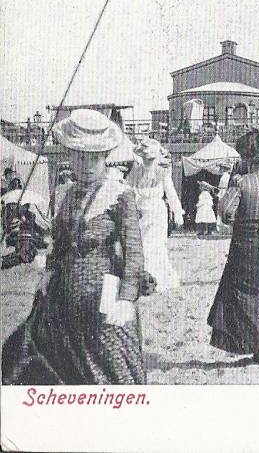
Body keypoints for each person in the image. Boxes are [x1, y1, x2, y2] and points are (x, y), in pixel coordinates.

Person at [2, 109, 147, 384]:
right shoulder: (65, 193)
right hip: (64, 295)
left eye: (94, 157)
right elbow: (58, 245)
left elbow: (134, 254)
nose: (86, 164)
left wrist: (127, 299)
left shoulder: (120, 195)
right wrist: (47, 274)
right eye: (79, 156)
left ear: (105, 156)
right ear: (70, 154)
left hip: (104, 298)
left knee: (113, 368)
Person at [207, 130, 259, 366]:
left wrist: (233, 187)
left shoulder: (241, 181)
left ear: (247, 156)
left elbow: (225, 214)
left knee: (242, 296)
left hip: (249, 242)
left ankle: (252, 347)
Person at [126, 138, 184, 291]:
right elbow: (129, 190)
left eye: (150, 159)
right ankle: (143, 280)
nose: (148, 162)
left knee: (155, 245)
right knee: (142, 245)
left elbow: (170, 192)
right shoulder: (135, 172)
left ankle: (158, 278)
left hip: (157, 212)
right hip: (140, 213)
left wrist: (177, 211)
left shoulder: (162, 172)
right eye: (146, 159)